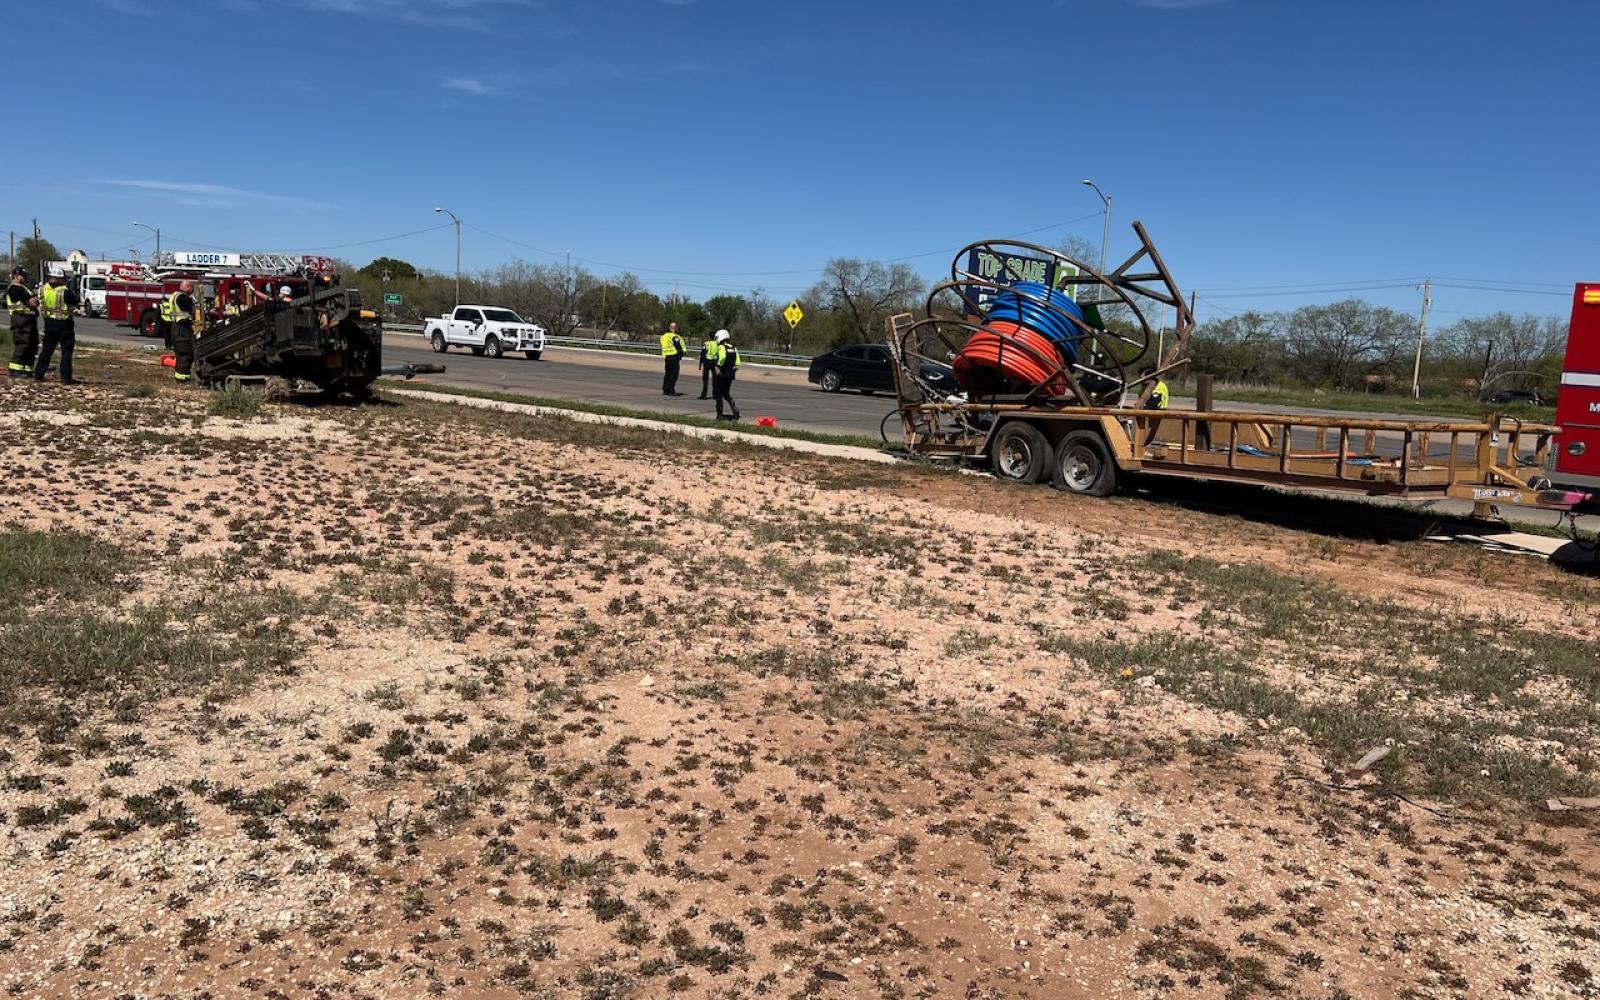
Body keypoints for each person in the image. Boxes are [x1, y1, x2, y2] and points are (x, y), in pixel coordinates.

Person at [33, 268, 79, 384]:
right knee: (66, 352)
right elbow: (74, 304)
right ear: (61, 279)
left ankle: (39, 374)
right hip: (64, 324)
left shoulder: (42, 290)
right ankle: (65, 377)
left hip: (49, 323)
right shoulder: (65, 291)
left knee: (46, 351)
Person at [6, 266, 39, 378]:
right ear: (16, 275)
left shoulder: (24, 288)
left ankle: (27, 368)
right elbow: (33, 303)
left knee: (32, 344)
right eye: (23, 275)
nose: (25, 278)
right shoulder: (15, 288)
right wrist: (35, 300)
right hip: (20, 320)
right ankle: (15, 369)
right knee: (23, 344)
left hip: (29, 319)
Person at [168, 280, 198, 383]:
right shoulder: (183, 297)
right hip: (182, 328)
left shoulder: (174, 295)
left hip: (175, 327)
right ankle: (183, 378)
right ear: (187, 287)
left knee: (180, 353)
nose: (192, 291)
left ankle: (180, 376)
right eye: (191, 289)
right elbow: (191, 310)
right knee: (186, 352)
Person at [711, 329, 741, 421]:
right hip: (730, 374)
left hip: (722, 374)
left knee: (718, 394)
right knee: (726, 394)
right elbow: (738, 362)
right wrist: (732, 370)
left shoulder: (722, 347)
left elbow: (722, 357)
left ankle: (719, 415)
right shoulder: (734, 348)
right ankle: (735, 410)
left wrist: (718, 366)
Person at [1141, 365, 1169, 446]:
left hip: (1157, 413)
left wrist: (1144, 405)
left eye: (1142, 377)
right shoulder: (1145, 386)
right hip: (1150, 413)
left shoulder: (1158, 386)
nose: (1141, 379)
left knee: (1149, 437)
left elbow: (1154, 402)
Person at [660, 321, 687, 396]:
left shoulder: (664, 336)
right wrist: (681, 354)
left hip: (667, 357)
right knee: (674, 374)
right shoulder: (675, 337)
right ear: (675, 328)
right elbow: (678, 346)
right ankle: (671, 390)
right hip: (674, 357)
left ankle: (665, 390)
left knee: (667, 374)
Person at [697, 331, 715, 399]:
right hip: (714, 362)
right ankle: (715, 395)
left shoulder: (707, 344)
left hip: (707, 362)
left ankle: (704, 395)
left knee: (705, 380)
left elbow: (703, 354)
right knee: (715, 380)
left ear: (709, 337)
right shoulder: (717, 344)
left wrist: (700, 364)